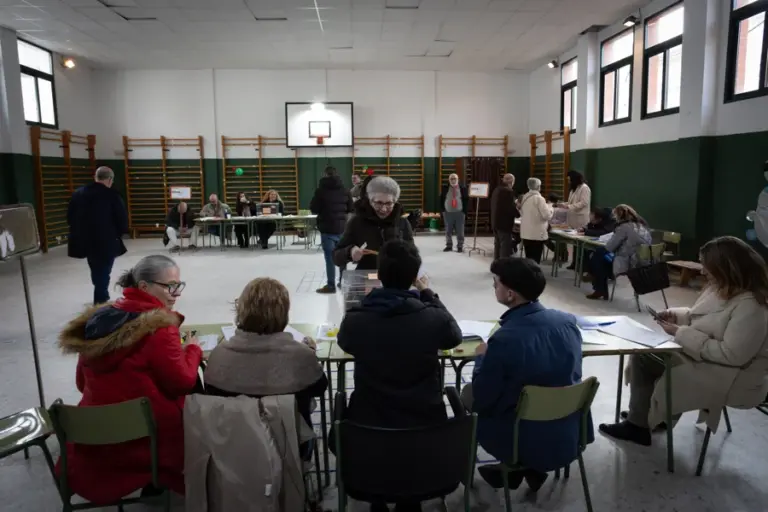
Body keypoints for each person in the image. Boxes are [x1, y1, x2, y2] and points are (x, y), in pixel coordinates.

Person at [57, 255, 203, 504]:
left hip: (93, 436)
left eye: (178, 285)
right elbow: (182, 382)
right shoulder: (160, 328)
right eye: (169, 286)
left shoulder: (99, 320)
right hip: (146, 439)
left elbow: (82, 383)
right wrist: (192, 351)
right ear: (144, 286)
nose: (175, 293)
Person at [600, 236, 768, 446]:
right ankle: (655, 415)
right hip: (712, 362)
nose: (703, 271)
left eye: (707, 267)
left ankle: (638, 426)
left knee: (644, 360)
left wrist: (682, 333)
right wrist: (677, 315)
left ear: (726, 268)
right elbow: (702, 316)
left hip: (733, 376)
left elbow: (732, 355)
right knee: (651, 354)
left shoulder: (752, 306)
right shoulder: (721, 287)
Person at [335, 239, 462, 512]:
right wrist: (428, 294)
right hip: (424, 428)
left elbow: (345, 343)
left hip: (369, 429)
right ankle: (409, 500)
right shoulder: (432, 318)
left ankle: (379, 499)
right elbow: (454, 336)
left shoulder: (357, 320)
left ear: (378, 276)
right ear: (414, 277)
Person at [461, 257, 593, 492]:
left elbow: (483, 398)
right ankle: (527, 468)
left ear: (510, 294)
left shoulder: (504, 339)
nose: (494, 286)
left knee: (468, 395)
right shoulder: (568, 323)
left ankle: (514, 465)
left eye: (496, 283)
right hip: (568, 431)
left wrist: (482, 356)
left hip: (518, 438)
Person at [205, 277, 328, 455]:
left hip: (234, 449)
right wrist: (310, 354)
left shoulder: (219, 355)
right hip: (290, 449)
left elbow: (211, 391)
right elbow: (319, 387)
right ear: (284, 314)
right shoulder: (300, 356)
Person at [67, 166, 129, 305]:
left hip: (84, 240)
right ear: (110, 179)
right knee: (104, 269)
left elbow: (70, 217)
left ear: (96, 177)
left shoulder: (78, 193)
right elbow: (121, 220)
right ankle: (101, 299)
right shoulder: (112, 195)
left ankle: (101, 293)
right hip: (105, 240)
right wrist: (117, 234)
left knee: (96, 267)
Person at [333, 177, 414, 271]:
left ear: (395, 202)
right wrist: (349, 252)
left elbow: (413, 255)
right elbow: (336, 257)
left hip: (395, 280)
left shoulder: (402, 223)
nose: (383, 209)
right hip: (366, 279)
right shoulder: (357, 222)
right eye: (378, 203)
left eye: (389, 203)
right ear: (370, 200)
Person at [586, 204, 651, 300]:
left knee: (597, 256)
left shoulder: (623, 227)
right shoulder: (642, 226)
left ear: (619, 216)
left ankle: (599, 288)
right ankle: (599, 285)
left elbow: (610, 247)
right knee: (600, 256)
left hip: (628, 263)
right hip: (643, 262)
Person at [310, 166, 354, 294]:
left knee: (329, 258)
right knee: (343, 256)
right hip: (342, 229)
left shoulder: (320, 191)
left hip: (327, 228)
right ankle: (343, 282)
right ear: (337, 174)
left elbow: (314, 208)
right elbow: (351, 208)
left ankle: (330, 285)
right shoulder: (346, 191)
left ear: (325, 175)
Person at [519, 178, 553, 264]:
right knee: (535, 259)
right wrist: (551, 208)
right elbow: (547, 216)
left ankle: (528, 275)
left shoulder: (524, 197)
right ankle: (534, 276)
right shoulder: (539, 199)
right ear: (538, 187)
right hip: (537, 234)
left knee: (528, 258)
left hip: (526, 233)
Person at [490, 173, 519, 259]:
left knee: (497, 245)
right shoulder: (508, 191)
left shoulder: (496, 189)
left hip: (495, 222)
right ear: (512, 182)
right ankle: (503, 266)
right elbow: (510, 208)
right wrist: (518, 213)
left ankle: (496, 265)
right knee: (505, 247)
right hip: (504, 224)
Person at [440, 173, 468, 253]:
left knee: (460, 230)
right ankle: (449, 245)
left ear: (458, 179)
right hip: (448, 213)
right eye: (451, 179)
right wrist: (443, 211)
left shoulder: (463, 188)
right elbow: (441, 199)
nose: (453, 180)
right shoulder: (445, 188)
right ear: (449, 180)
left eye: (454, 178)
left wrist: (464, 212)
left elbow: (466, 200)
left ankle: (460, 246)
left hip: (459, 213)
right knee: (448, 230)